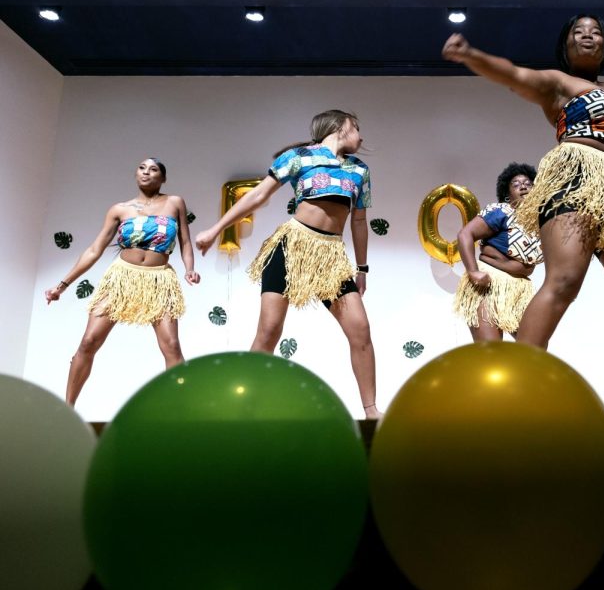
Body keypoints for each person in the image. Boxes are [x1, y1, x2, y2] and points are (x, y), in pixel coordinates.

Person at [443, 15, 604, 414]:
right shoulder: (557, 83)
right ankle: (513, 393)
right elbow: (512, 74)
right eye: (579, 31)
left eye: (595, 31)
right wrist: (472, 55)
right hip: (575, 175)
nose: (588, 35)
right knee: (563, 281)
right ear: (567, 46)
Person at [195, 110, 381, 419]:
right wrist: (215, 230)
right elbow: (257, 197)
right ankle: (244, 403)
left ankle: (371, 410)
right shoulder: (298, 157)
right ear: (338, 128)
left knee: (360, 330)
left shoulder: (359, 170)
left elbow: (359, 222)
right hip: (292, 246)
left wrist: (362, 269)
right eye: (356, 128)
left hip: (330, 256)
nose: (361, 137)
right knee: (268, 331)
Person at [45, 158, 200, 405]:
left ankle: (180, 412)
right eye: (142, 168)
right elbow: (95, 249)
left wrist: (189, 269)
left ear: (163, 178)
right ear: (136, 174)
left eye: (154, 169)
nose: (147, 172)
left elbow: (185, 242)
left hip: (159, 280)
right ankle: (68, 408)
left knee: (171, 345)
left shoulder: (174, 203)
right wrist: (62, 285)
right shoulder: (120, 209)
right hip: (122, 277)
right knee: (88, 341)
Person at [454, 163, 544, 340]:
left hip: (521, 290)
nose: (523, 186)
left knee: (535, 348)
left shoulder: (541, 222)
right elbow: (465, 234)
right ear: (508, 196)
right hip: (489, 285)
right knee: (490, 351)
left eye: (528, 183)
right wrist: (473, 272)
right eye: (516, 184)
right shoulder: (501, 211)